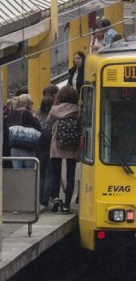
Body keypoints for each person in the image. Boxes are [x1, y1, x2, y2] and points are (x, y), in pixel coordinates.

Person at [47, 85, 82, 213]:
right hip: (72, 147)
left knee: (56, 174)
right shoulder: (78, 110)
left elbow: (48, 121)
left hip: (57, 145)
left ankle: (56, 198)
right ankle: (67, 204)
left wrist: (56, 105)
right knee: (70, 176)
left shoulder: (55, 109)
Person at [7, 93, 43, 169]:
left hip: (14, 147)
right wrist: (33, 114)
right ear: (28, 104)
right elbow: (38, 127)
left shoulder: (12, 114)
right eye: (31, 103)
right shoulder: (27, 113)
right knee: (29, 173)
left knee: (17, 173)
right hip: (27, 147)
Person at [36, 96, 54, 208]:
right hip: (51, 147)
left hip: (40, 147)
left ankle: (39, 198)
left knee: (41, 174)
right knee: (50, 175)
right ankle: (45, 200)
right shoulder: (54, 117)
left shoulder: (38, 117)